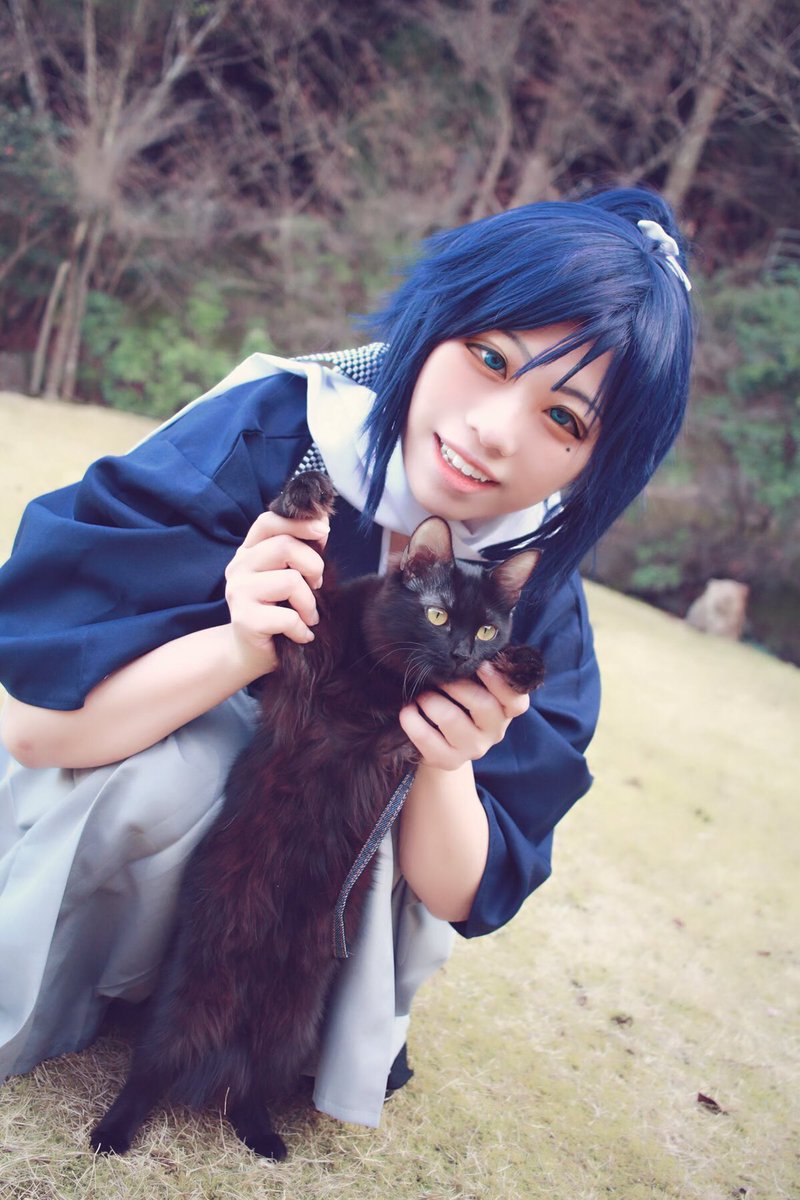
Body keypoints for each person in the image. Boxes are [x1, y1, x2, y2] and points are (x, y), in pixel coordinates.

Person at [0, 187, 693, 1130]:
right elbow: (35, 728)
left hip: (314, 923)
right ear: (435, 320)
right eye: (490, 357)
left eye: (565, 419)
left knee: (367, 809)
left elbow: (459, 894)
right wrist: (242, 643)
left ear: (596, 466)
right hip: (130, 845)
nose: (495, 429)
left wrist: (447, 761)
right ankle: (105, 981)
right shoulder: (278, 435)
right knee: (187, 768)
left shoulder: (532, 597)